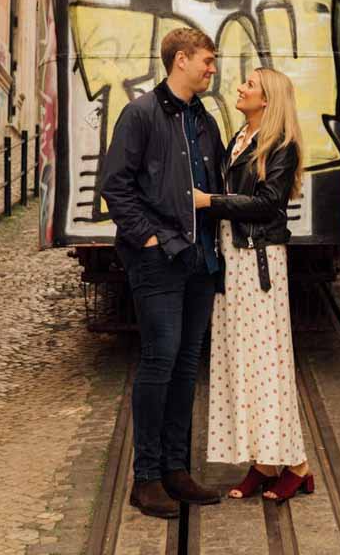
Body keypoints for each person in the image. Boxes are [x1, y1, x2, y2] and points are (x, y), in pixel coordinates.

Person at [101, 27, 226, 520]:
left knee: (185, 364)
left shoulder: (205, 121)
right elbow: (116, 185)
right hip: (157, 260)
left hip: (199, 261)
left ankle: (176, 469)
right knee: (159, 360)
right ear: (180, 60)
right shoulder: (140, 114)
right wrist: (150, 237)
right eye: (207, 61)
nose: (212, 69)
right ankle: (146, 478)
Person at [194, 67, 314, 503]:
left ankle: (297, 466)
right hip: (234, 258)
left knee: (268, 366)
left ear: (267, 99)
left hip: (259, 263)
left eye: (249, 85)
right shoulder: (240, 137)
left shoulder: (280, 145)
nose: (239, 88)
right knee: (241, 362)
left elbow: (267, 205)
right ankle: (264, 463)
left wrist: (212, 202)